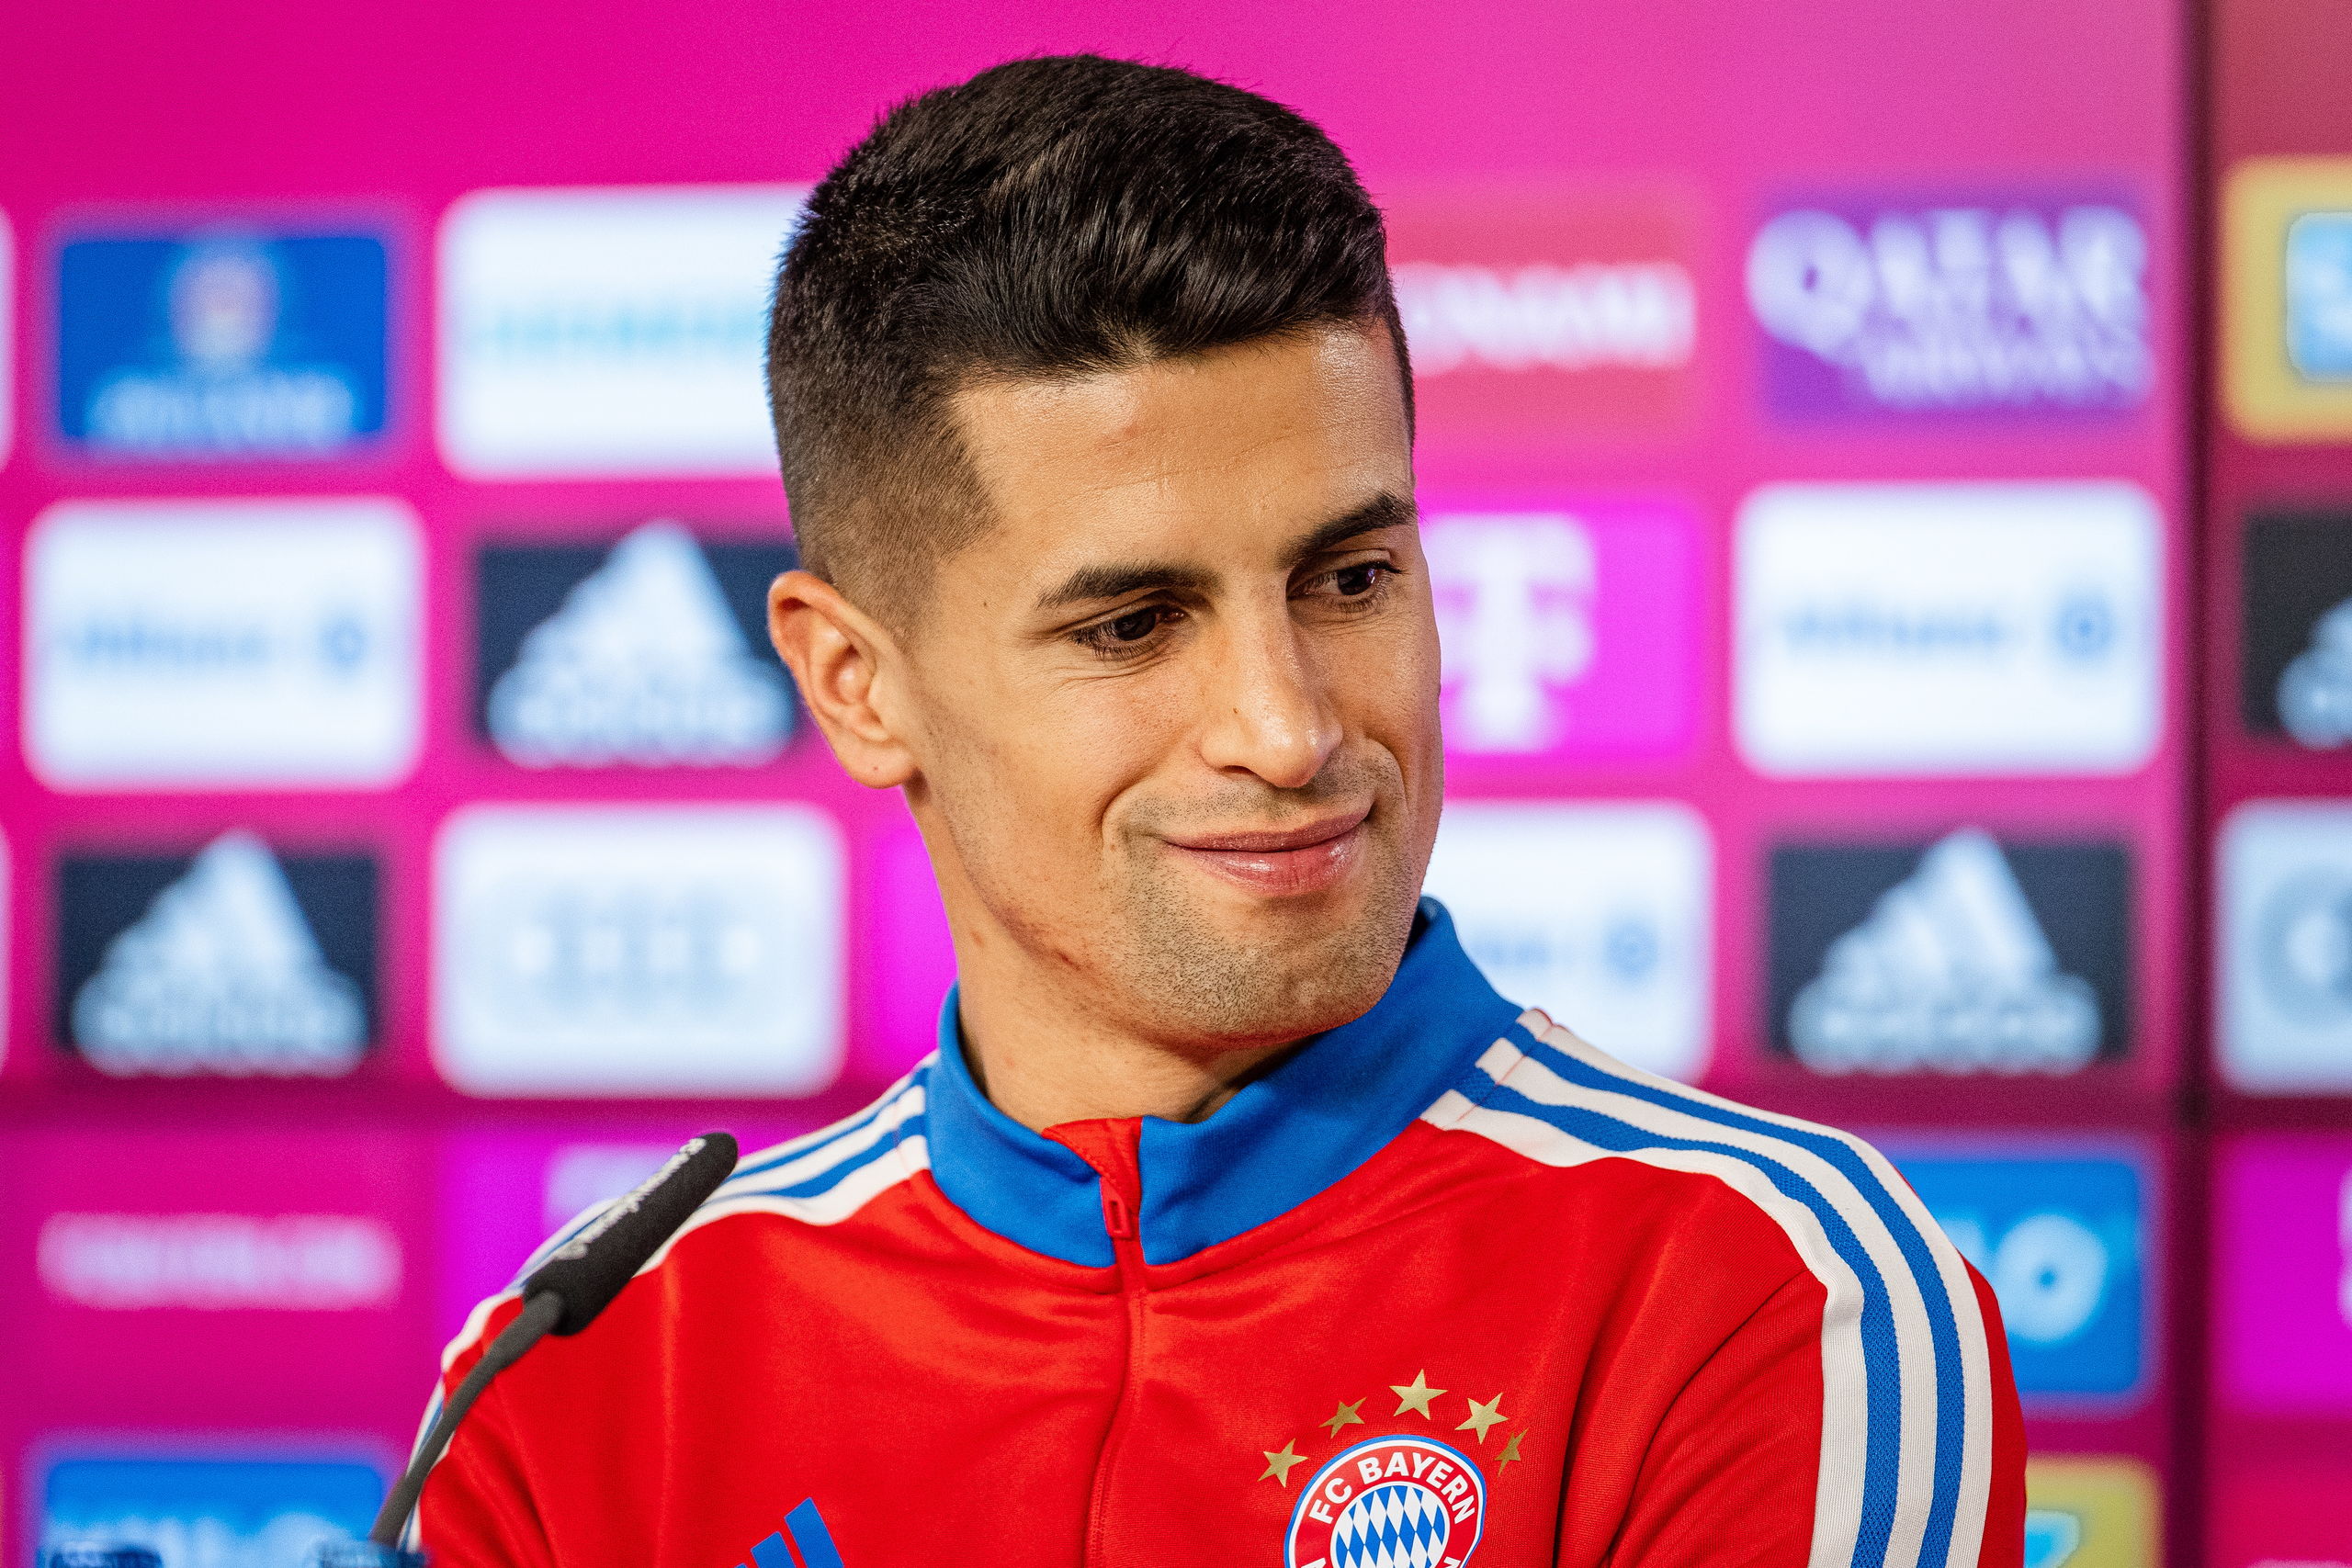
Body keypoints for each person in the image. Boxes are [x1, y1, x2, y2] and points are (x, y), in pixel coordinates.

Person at [413, 54, 2025, 1568]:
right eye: (1133, 624)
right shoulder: (585, 1370)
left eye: (1352, 578)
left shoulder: (1770, 1292)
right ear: (856, 685)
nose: (1291, 727)